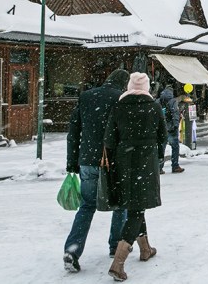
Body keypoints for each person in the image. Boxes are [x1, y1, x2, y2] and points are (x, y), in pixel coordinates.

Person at [63, 69, 130, 273]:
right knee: (120, 204)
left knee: (86, 206)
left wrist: (72, 162)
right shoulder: (122, 98)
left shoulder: (86, 96)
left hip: (87, 160)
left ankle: (72, 251)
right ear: (124, 83)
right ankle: (115, 245)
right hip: (113, 161)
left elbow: (73, 132)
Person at [106, 72, 168, 281]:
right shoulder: (154, 107)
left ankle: (145, 249)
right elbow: (163, 136)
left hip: (124, 161)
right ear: (147, 88)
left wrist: (117, 157)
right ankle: (118, 262)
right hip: (146, 161)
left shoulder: (119, 107)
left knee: (134, 205)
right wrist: (157, 155)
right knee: (137, 209)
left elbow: (109, 138)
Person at [159, 86, 185, 173]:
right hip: (171, 128)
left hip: (161, 128)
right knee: (175, 147)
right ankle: (175, 166)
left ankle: (159, 167)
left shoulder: (158, 101)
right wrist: (175, 125)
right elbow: (175, 113)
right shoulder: (173, 101)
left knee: (161, 148)